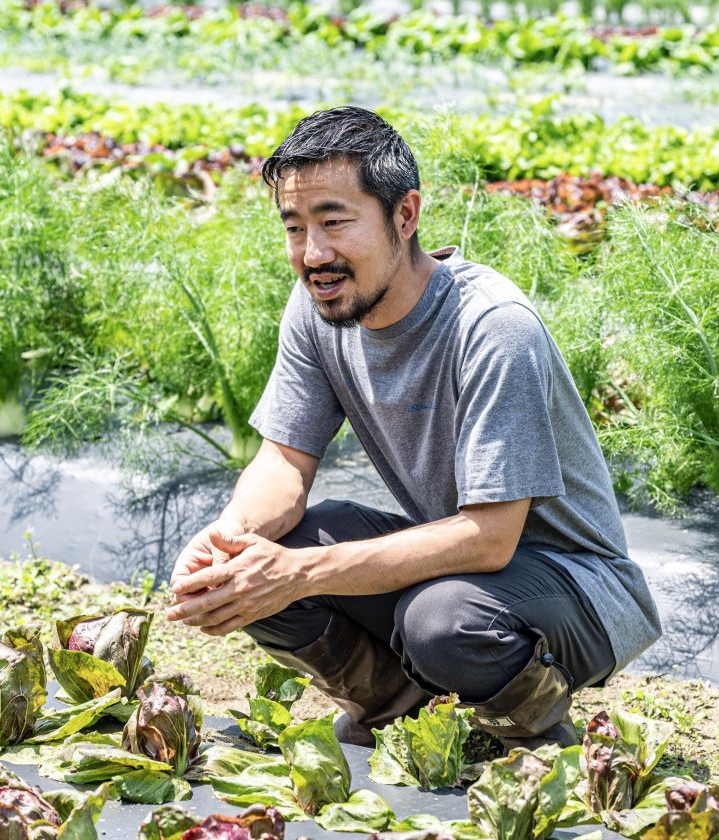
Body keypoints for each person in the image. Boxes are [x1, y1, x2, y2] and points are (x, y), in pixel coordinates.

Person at [166, 106, 661, 750]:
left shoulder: (491, 326)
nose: (314, 254)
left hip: (577, 588)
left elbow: (490, 540)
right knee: (286, 546)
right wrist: (231, 544)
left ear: (405, 216)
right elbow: (285, 463)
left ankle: (536, 737)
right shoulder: (320, 308)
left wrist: (302, 572)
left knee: (441, 621)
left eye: (334, 222)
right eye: (295, 227)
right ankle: (401, 712)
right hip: (467, 570)